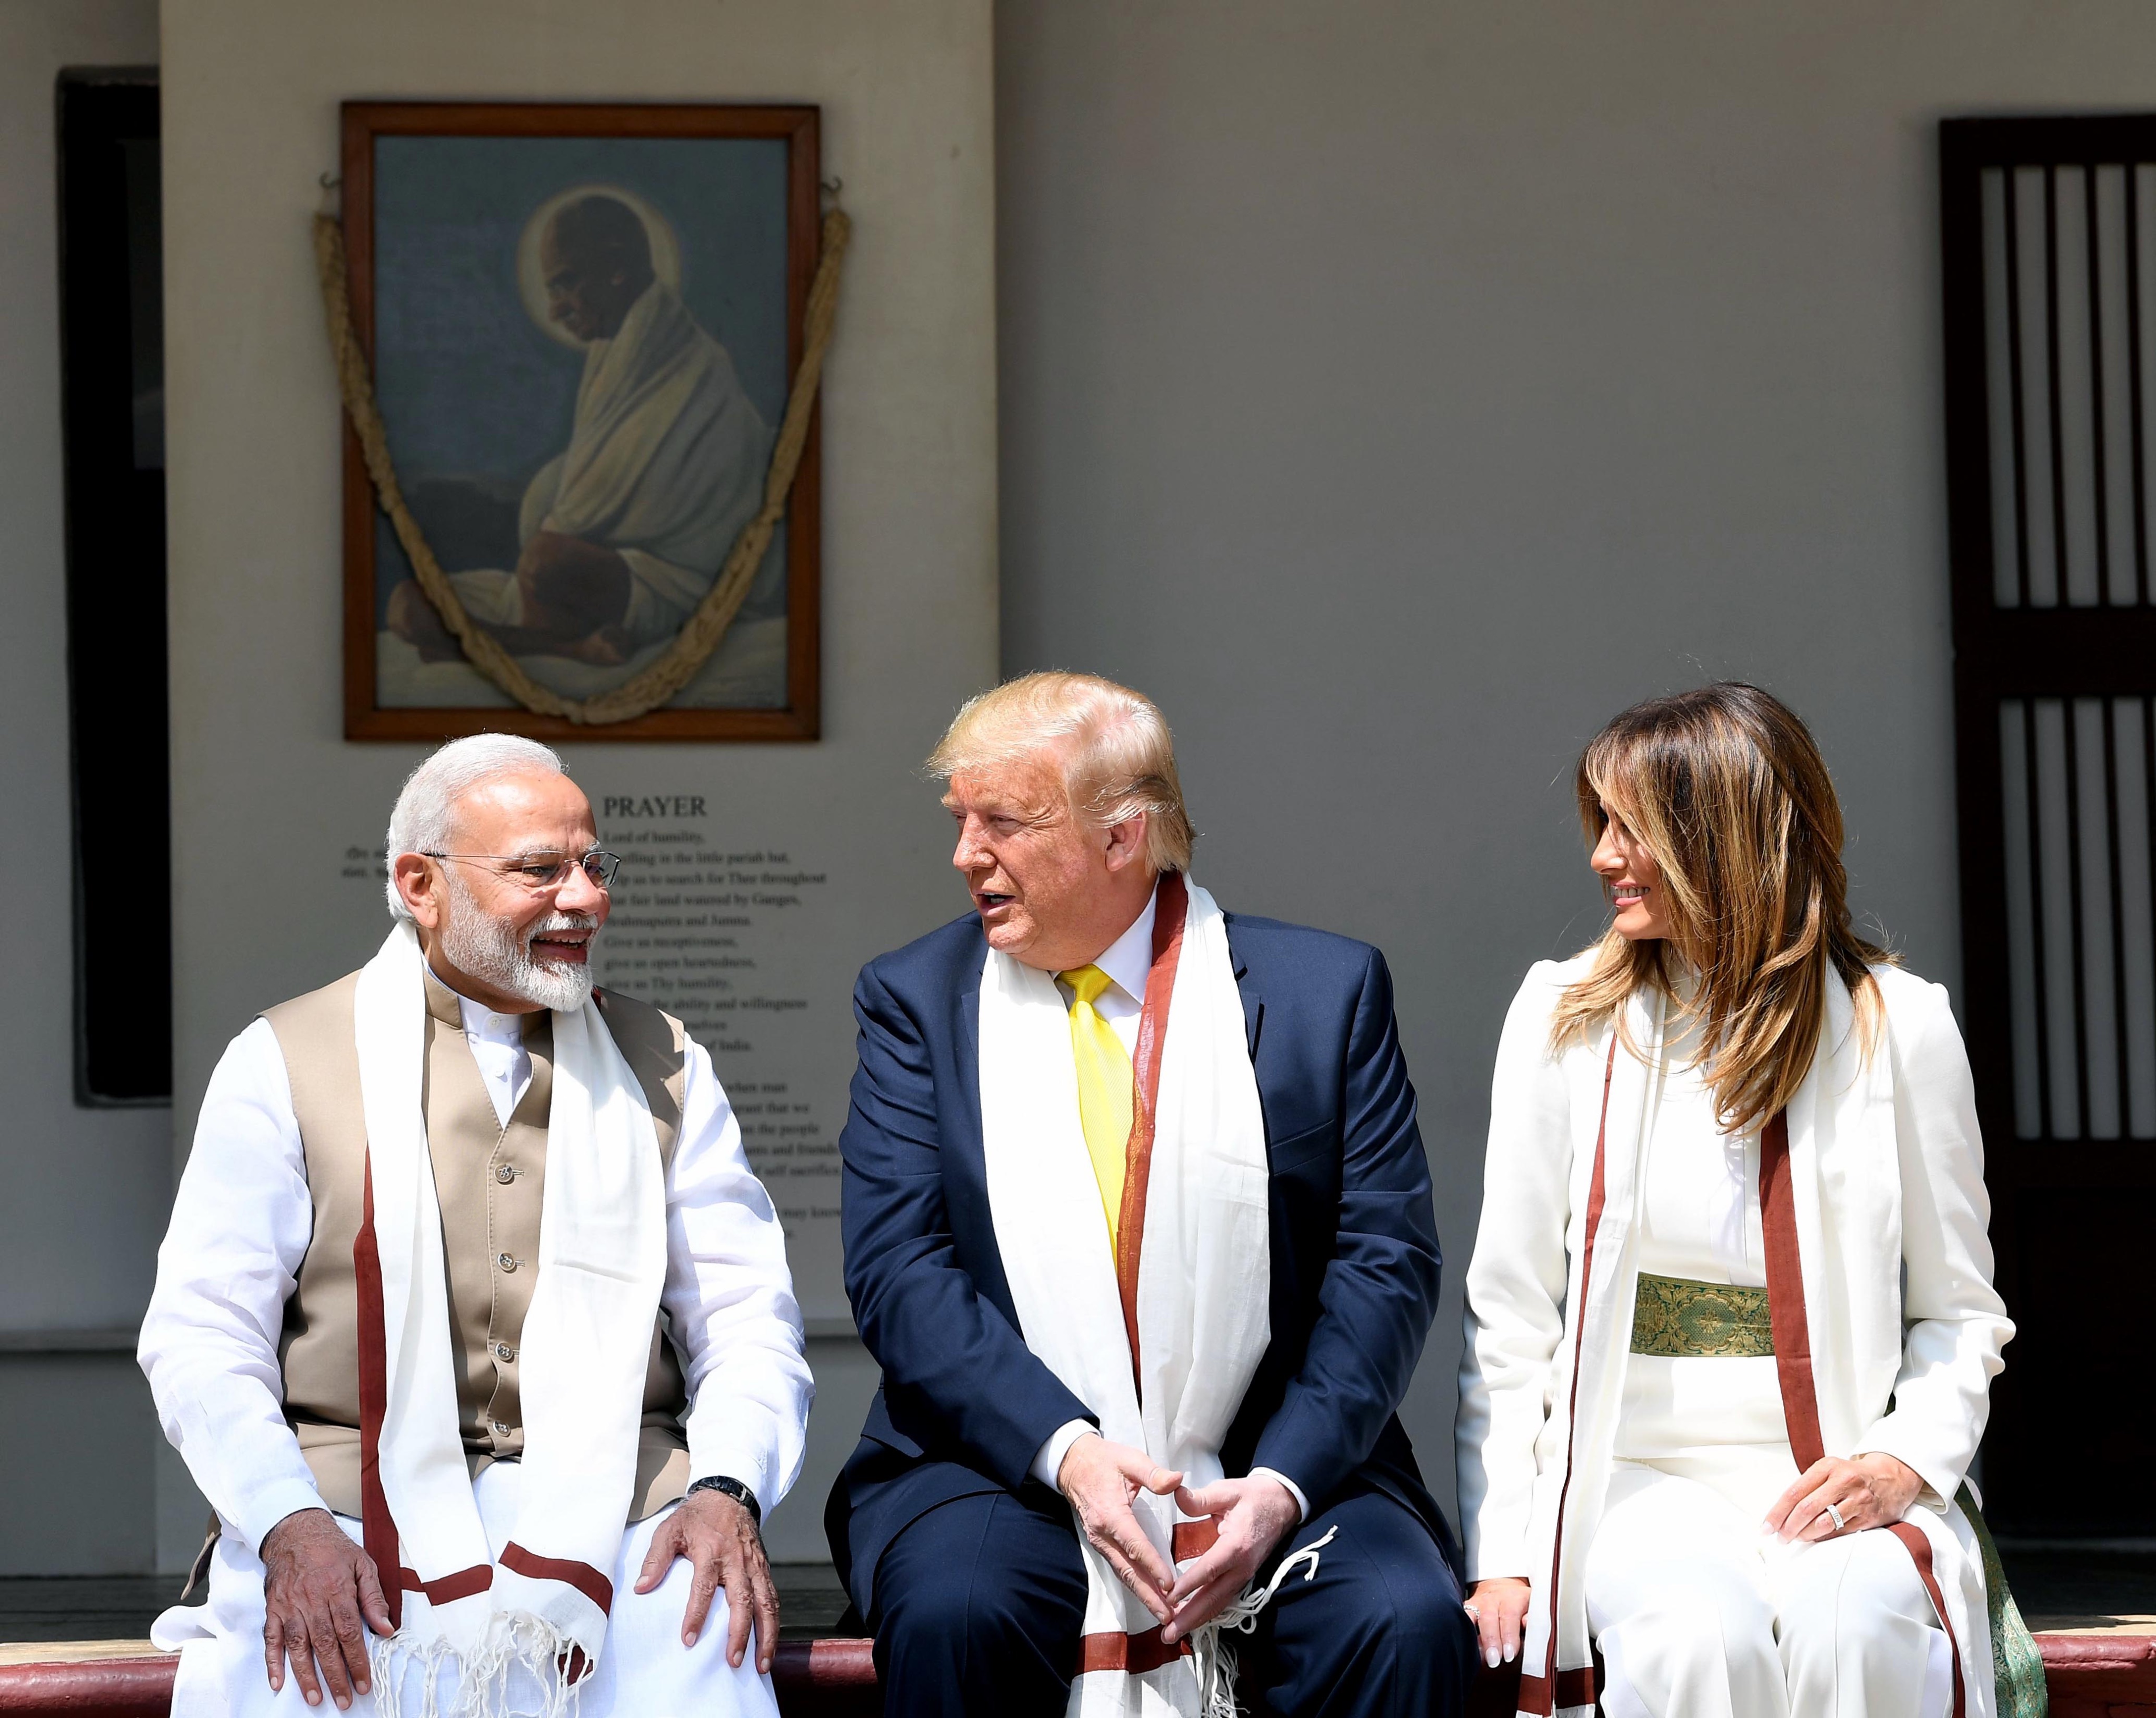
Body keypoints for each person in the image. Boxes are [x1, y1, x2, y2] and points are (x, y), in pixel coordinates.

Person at [824, 671, 1477, 1717]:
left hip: (1279, 1457)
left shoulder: (1323, 995)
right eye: (959, 821)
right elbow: (899, 1272)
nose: (964, 856)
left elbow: (1383, 1267)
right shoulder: (914, 999)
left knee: (1398, 1616)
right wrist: (1071, 1455)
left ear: (1122, 838)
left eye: (1001, 823)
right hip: (1001, 1459)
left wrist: (1281, 1486)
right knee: (957, 1611)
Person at [139, 733, 812, 1717]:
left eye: (593, 864)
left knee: (698, 1647)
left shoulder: (664, 1059)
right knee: (307, 1672)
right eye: (541, 869)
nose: (585, 896)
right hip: (342, 1501)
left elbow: (749, 1319)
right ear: (422, 884)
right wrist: (285, 1520)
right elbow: (202, 1333)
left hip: (626, 1507)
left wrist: (723, 1488)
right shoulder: (281, 1059)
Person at [1455, 684, 2015, 1718]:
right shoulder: (1561, 1018)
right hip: (1631, 1475)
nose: (1600, 856)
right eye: (1600, 823)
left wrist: (1899, 1462)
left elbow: (1959, 1313)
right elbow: (1510, 1320)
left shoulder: (1901, 1026)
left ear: (1721, 837)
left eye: (1631, 828)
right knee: (1692, 1641)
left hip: (1833, 1468)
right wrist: (1504, 1550)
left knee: (1851, 1630)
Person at [388, 193, 773, 668]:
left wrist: (545, 553)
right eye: (551, 291)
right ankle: (567, 649)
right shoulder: (613, 349)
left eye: (566, 285)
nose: (556, 311)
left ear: (617, 268)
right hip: (588, 583)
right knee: (406, 604)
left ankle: (493, 641)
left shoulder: (688, 363)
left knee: (546, 564)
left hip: (668, 581)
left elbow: (600, 511)